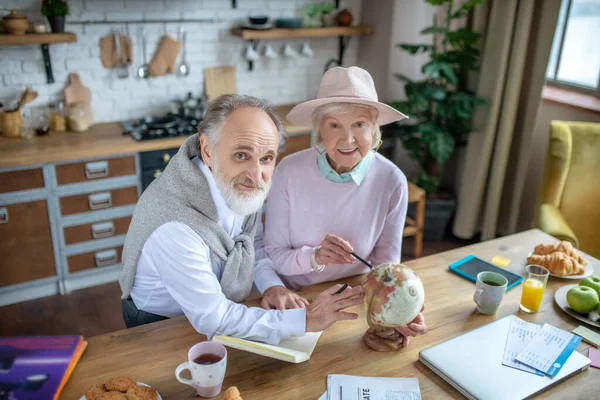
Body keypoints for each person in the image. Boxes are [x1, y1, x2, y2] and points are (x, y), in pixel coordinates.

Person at [119, 94, 363, 345]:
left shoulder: (236, 186)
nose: (256, 175)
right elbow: (215, 318)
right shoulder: (174, 224)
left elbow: (252, 243)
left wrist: (271, 285)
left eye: (267, 158)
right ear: (207, 150)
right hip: (161, 324)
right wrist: (305, 320)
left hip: (216, 311)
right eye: (241, 156)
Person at [264, 67, 425, 344]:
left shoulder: (392, 180)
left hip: (358, 301)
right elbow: (274, 254)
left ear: (374, 127)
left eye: (359, 125)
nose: (348, 139)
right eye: (335, 125)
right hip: (300, 303)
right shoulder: (288, 171)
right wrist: (315, 256)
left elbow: (386, 265)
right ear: (319, 129)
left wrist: (396, 310)